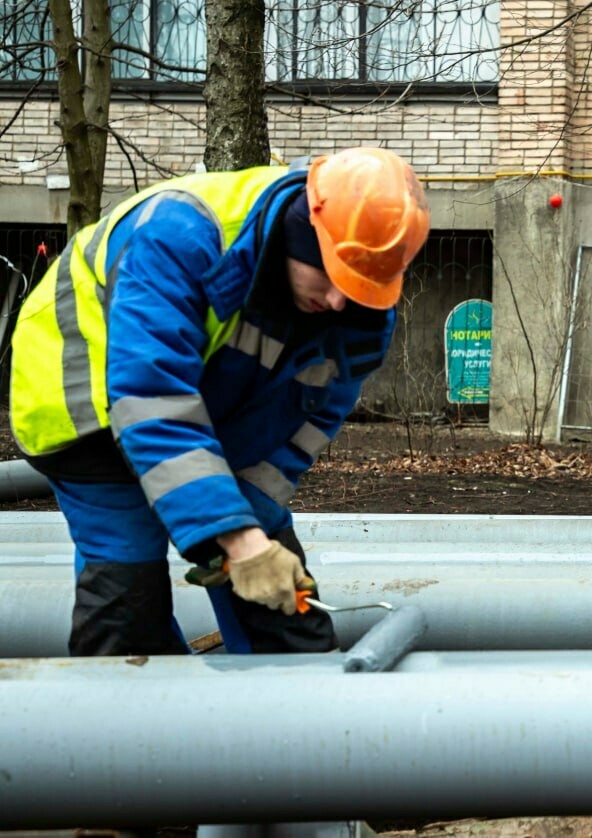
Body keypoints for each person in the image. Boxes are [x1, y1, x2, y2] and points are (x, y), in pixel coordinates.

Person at [8, 147, 431, 655]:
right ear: (302, 233)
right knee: (127, 592)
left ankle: (295, 720)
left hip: (202, 404)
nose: (340, 300)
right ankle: (125, 719)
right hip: (84, 397)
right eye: (331, 275)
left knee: (282, 601)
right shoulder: (181, 234)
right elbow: (151, 397)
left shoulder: (358, 317)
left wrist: (248, 534)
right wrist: (235, 538)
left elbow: (301, 432)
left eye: (359, 286)